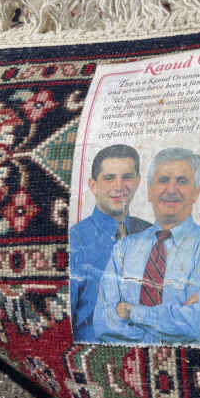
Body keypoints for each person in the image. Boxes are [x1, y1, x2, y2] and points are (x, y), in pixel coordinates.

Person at [93, 147, 200, 344]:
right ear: (149, 191)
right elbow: (103, 324)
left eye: (182, 181)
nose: (171, 190)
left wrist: (132, 312)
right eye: (163, 180)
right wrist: (176, 322)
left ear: (196, 192)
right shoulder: (123, 249)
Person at [70, 144, 152, 343]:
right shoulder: (75, 240)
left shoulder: (152, 234)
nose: (119, 186)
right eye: (109, 178)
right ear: (93, 185)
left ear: (137, 182)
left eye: (127, 177)